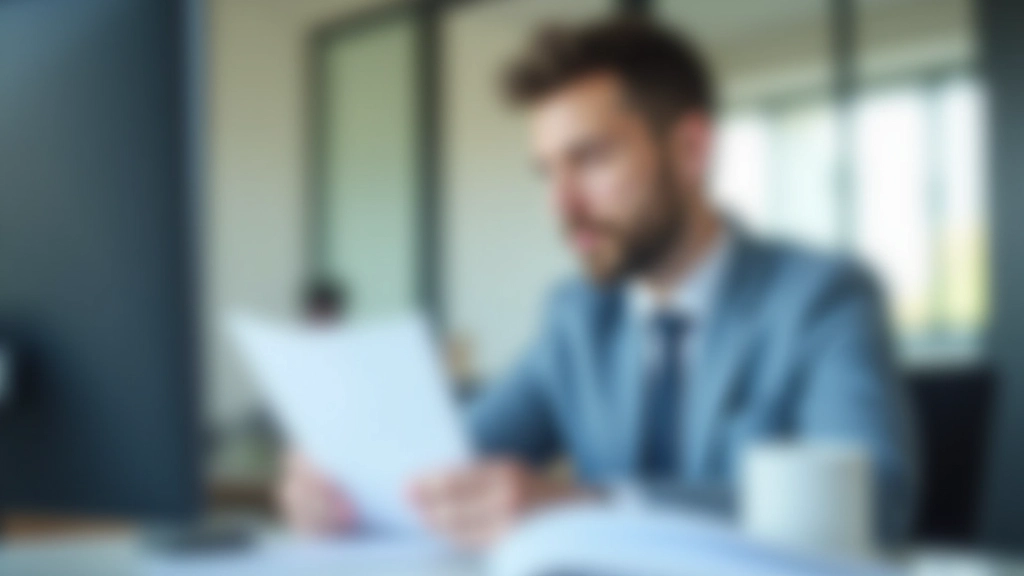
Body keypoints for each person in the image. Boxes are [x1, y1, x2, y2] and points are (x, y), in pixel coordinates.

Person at [279, 17, 916, 548]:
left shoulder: (821, 298)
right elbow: (450, 458)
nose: (562, 205)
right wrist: (346, 486)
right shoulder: (577, 316)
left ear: (690, 150)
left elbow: (875, 500)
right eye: (547, 172)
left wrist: (597, 505)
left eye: (590, 159)